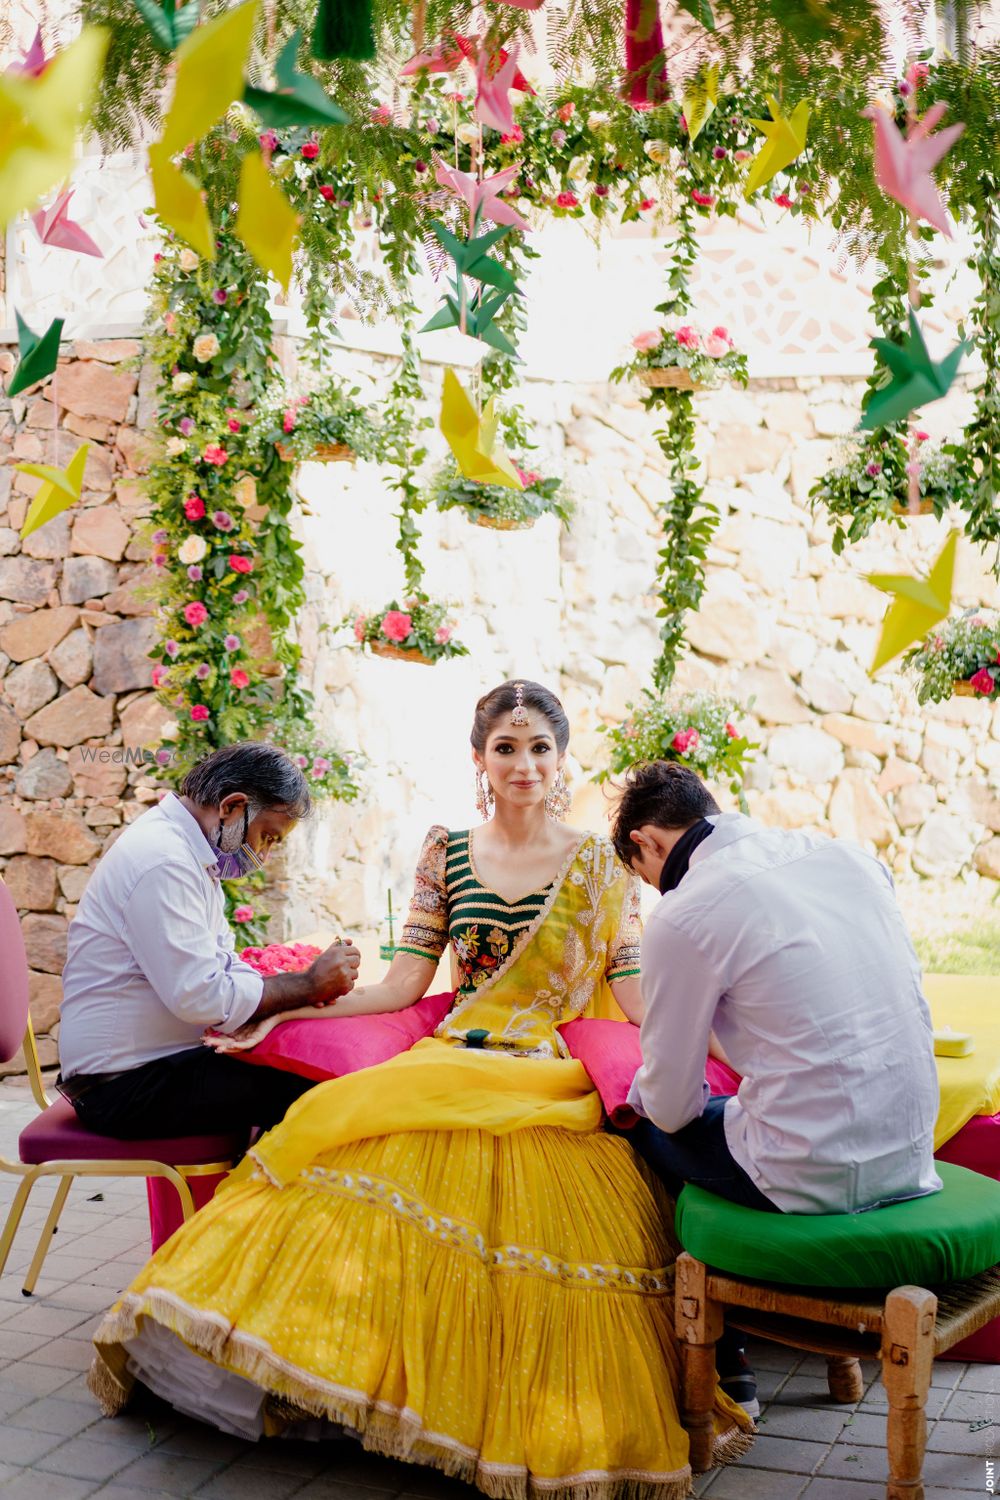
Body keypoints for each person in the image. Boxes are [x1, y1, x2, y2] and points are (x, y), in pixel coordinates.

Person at [88, 683, 753, 1496]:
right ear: (479, 759)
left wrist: (739, 1047)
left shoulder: (600, 863)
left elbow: (640, 992)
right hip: (446, 1056)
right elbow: (405, 984)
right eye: (506, 748)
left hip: (546, 1074)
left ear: (562, 758)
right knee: (344, 1143)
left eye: (540, 747)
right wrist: (291, 1007)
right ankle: (343, 1388)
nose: (523, 763)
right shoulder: (446, 850)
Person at [610, 760, 942, 1217]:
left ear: (645, 841)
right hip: (912, 1153)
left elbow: (673, 1109)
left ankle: (698, 1261)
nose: (662, 891)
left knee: (634, 1123)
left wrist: (640, 1096)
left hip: (807, 1175)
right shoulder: (851, 856)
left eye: (649, 879)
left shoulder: (683, 913)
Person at [58, 741, 360, 1139]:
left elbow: (223, 961)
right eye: (267, 836)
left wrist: (288, 993)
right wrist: (307, 984)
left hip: (151, 1068)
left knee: (310, 1061)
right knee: (323, 1089)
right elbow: (200, 996)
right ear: (232, 807)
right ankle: (265, 1199)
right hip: (121, 1086)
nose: (264, 854)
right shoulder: (165, 860)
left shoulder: (190, 855)